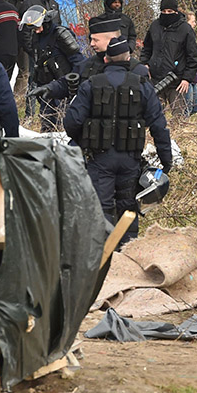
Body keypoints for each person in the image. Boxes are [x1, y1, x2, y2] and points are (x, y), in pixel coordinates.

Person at [64, 37, 172, 249]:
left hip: (99, 159)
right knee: (128, 208)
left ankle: (101, 260)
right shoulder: (143, 87)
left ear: (106, 59)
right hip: (130, 160)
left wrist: (83, 141)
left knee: (100, 210)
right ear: (128, 58)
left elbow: (72, 121)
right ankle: (128, 256)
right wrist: (165, 161)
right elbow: (159, 126)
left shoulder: (90, 85)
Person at [22, 5, 85, 130]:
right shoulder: (36, 37)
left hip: (64, 89)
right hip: (46, 90)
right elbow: (37, 61)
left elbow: (79, 62)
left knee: (64, 128)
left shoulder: (61, 34)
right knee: (47, 127)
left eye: (38, 27)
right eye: (34, 29)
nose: (37, 31)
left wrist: (73, 85)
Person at [140, 0, 197, 109]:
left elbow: (193, 57)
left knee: (180, 117)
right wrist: (145, 64)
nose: (166, 14)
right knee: (154, 114)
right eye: (163, 11)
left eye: (170, 11)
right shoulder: (155, 26)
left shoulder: (185, 29)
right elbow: (147, 48)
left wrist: (186, 79)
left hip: (176, 82)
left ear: (176, 11)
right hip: (155, 78)